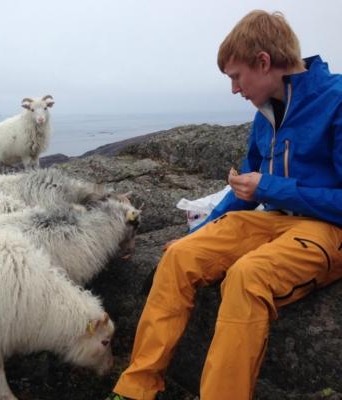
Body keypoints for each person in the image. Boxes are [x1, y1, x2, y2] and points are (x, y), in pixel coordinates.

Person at [105, 9, 342, 400]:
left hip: (326, 229)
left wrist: (271, 187)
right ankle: (137, 387)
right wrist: (203, 231)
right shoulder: (265, 113)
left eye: (236, 76)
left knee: (248, 276)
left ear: (264, 62)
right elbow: (247, 187)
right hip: (272, 221)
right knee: (180, 257)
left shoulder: (334, 100)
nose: (234, 89)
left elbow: (268, 187)